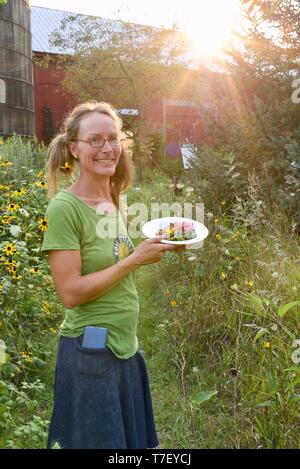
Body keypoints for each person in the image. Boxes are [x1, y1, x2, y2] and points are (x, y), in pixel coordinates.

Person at [41, 101, 183, 449]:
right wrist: (133, 261)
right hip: (91, 354)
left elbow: (114, 260)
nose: (107, 148)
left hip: (124, 348)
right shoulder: (64, 208)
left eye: (113, 138)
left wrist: (157, 246)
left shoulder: (111, 198)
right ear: (73, 148)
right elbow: (70, 293)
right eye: (95, 140)